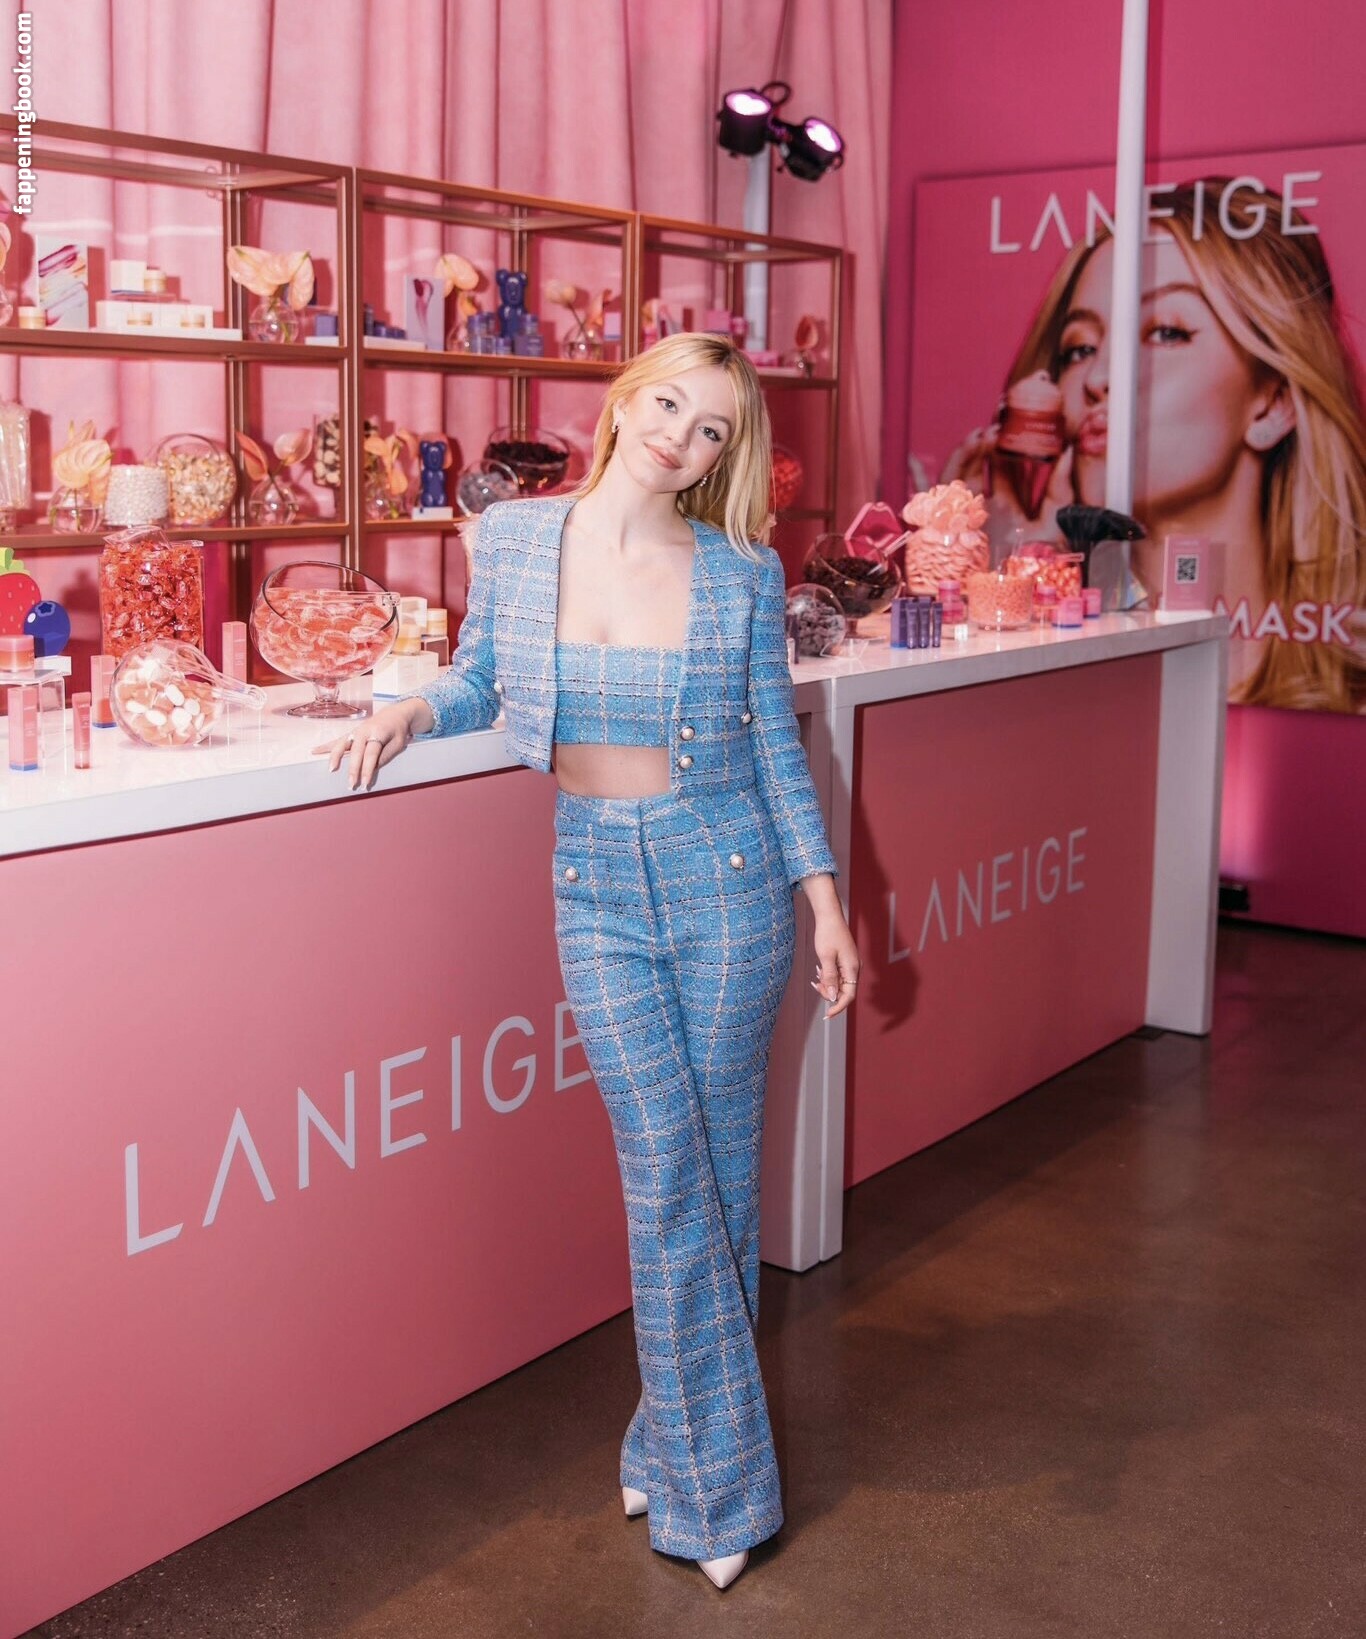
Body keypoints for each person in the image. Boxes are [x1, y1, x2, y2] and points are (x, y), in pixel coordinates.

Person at [315, 332, 859, 1590]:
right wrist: (413, 708)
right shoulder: (511, 537)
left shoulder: (740, 570)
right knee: (667, 1167)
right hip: (594, 883)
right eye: (667, 404)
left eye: (711, 428)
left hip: (728, 881)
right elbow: (483, 677)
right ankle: (708, 1476)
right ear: (623, 400)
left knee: (713, 1177)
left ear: (726, 454)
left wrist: (823, 899)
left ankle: (684, 1465)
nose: (679, 436)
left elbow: (774, 747)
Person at [947, 180, 1366, 712]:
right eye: (1080, 348)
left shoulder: (1349, 687)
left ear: (1273, 402)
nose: (1099, 377)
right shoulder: (1073, 654)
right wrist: (1008, 558)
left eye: (1166, 332)